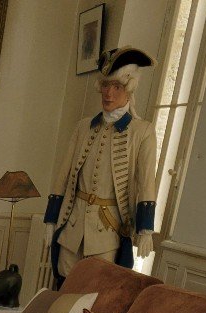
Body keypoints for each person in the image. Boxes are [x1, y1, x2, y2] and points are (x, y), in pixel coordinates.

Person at [44, 47, 158, 285]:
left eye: (117, 87)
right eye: (106, 85)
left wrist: (146, 229)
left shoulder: (142, 131)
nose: (109, 93)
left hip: (107, 232)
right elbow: (62, 175)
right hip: (73, 226)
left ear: (129, 89)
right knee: (62, 288)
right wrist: (51, 219)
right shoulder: (84, 126)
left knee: (95, 294)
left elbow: (146, 181)